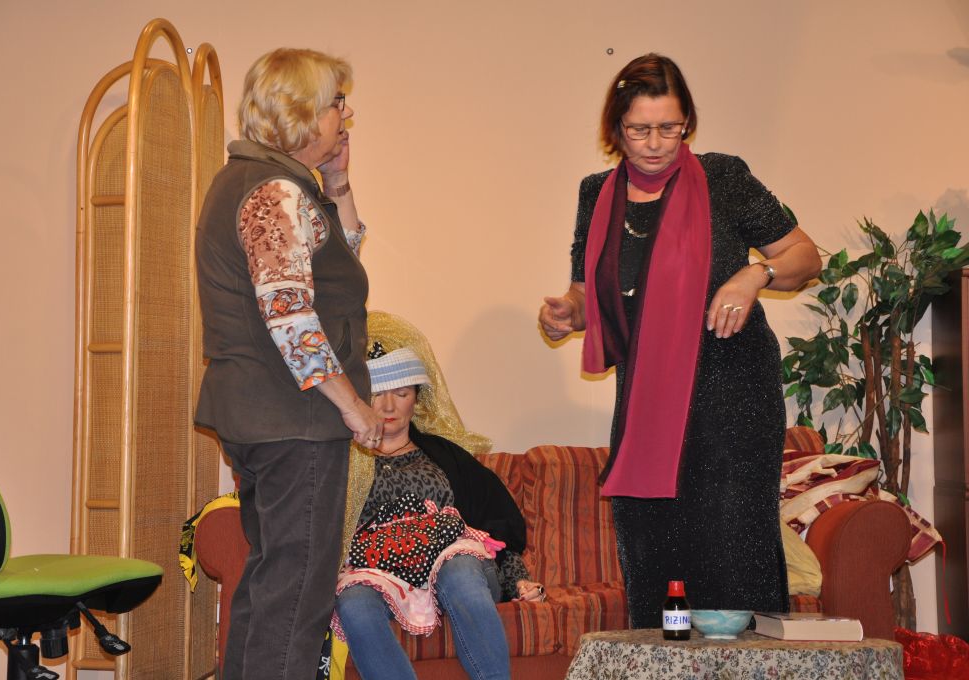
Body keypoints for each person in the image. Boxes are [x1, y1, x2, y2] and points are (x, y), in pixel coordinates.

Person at [538, 53, 821, 627]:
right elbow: (588, 293)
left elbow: (805, 256)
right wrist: (567, 312)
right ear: (616, 127)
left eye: (669, 127)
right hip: (646, 400)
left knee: (730, 548)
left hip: (733, 394)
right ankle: (664, 659)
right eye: (639, 129)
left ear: (687, 122)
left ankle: (749, 663)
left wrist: (754, 274)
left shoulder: (723, 178)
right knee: (652, 542)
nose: (655, 143)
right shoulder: (597, 193)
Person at [194, 48, 383, 680]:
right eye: (335, 103)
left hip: (264, 418)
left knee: (272, 583)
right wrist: (354, 407)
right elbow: (293, 317)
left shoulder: (266, 183)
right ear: (301, 114)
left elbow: (338, 266)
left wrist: (338, 183)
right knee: (298, 594)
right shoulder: (274, 191)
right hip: (295, 421)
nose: (345, 115)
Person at [332, 312, 544, 680]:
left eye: (401, 393)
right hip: (376, 571)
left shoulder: (447, 457)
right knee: (353, 602)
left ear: (417, 398)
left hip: (454, 559)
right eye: (377, 393)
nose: (388, 406)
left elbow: (497, 528)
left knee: (459, 570)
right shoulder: (341, 464)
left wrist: (517, 581)